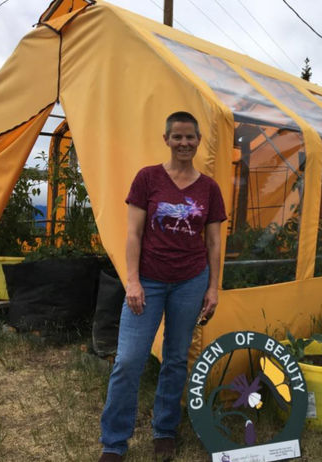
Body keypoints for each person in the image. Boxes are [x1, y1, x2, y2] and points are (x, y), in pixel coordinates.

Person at [98, 111, 227, 462]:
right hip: (149, 282)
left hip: (191, 281)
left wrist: (213, 288)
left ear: (198, 140)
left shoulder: (209, 189)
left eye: (190, 137)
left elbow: (214, 243)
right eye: (177, 137)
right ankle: (113, 441)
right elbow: (133, 234)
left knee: (175, 358)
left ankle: (165, 430)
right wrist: (133, 281)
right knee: (128, 360)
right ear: (166, 139)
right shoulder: (148, 178)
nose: (184, 143)